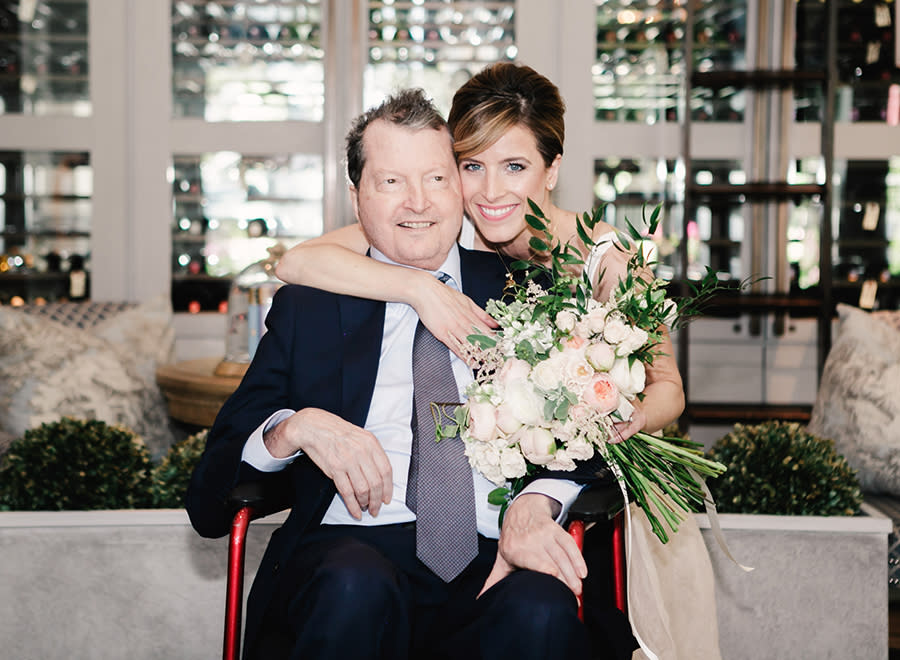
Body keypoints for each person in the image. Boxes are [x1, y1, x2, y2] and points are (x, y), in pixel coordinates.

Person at [186, 89, 633, 660]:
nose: (416, 202)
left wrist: (537, 501)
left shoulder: (532, 292)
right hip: (348, 550)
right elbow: (208, 499)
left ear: (461, 190)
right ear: (356, 196)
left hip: (495, 554)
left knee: (541, 611)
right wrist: (296, 427)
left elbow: (599, 443)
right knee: (355, 586)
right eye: (391, 182)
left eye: (436, 178)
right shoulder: (310, 308)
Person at [275, 62, 684, 441]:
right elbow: (297, 261)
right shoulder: (450, 226)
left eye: (514, 167)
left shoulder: (605, 259)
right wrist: (420, 289)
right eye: (472, 166)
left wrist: (631, 419)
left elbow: (668, 388)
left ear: (552, 169)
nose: (490, 192)